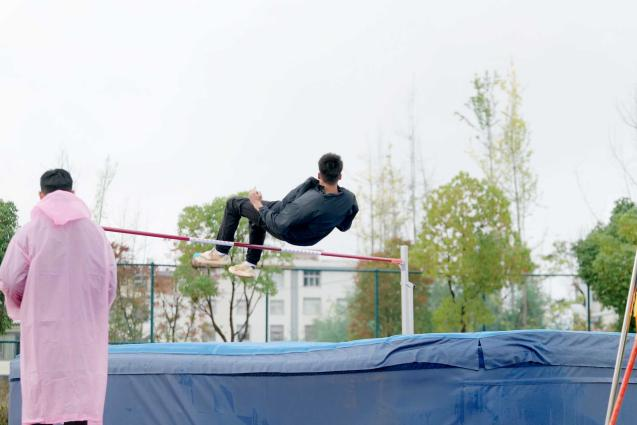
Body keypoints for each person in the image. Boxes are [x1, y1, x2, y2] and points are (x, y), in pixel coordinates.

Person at [0, 169, 117, 425]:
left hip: (43, 334)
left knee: (43, 401)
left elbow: (9, 279)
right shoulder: (97, 235)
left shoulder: (29, 233)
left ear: (41, 195)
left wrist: (25, 302)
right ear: (73, 193)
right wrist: (92, 310)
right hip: (84, 336)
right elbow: (109, 285)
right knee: (80, 405)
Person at [193, 153, 359, 278]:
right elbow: (344, 226)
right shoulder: (349, 199)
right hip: (292, 217)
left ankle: (220, 253)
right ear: (340, 176)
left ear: (319, 175)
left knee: (233, 204)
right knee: (257, 217)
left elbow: (278, 224)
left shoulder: (309, 204)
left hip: (290, 230)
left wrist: (258, 204)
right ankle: (250, 264)